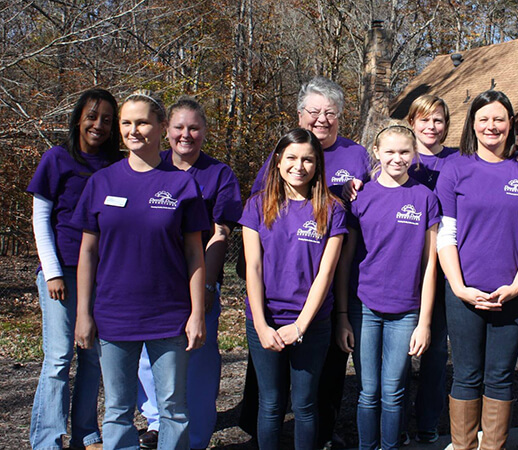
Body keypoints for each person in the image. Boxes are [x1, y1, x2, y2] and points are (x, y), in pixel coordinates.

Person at [73, 90, 209, 450]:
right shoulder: (101, 183)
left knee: (173, 410)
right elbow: (87, 252)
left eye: (143, 122)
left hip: (169, 314)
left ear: (162, 127)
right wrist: (84, 314)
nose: (134, 130)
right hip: (114, 313)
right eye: (127, 123)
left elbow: (195, 253)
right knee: (117, 409)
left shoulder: (182, 184)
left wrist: (197, 313)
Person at [242, 76, 370, 448]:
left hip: (322, 297)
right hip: (268, 308)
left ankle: (324, 438)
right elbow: (255, 256)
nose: (321, 118)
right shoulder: (262, 196)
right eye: (314, 111)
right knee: (271, 400)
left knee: (312, 394)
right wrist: (263, 324)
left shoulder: (357, 158)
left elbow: (388, 181)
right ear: (300, 115)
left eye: (330, 112)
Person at [435, 90, 518, 450]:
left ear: (510, 124)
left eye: (499, 119)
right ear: (472, 124)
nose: (492, 126)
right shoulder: (455, 168)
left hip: (513, 295)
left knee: (500, 377)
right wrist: (458, 287)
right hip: (463, 294)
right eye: (484, 118)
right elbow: (446, 234)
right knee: (467, 376)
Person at [135, 97, 243, 450]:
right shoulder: (149, 167)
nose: (186, 135)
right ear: (166, 131)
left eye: (194, 128)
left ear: (205, 132)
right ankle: (156, 421)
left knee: (198, 358)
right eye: (179, 127)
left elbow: (220, 232)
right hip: (151, 284)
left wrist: (207, 284)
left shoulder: (219, 174)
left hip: (198, 282)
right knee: (147, 360)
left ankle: (196, 436)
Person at [27, 88, 122, 450]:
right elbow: (40, 218)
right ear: (78, 118)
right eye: (92, 116)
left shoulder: (115, 166)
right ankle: (47, 439)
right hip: (61, 273)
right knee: (58, 356)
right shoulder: (56, 159)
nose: (98, 125)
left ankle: (87, 433)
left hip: (100, 276)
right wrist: (51, 271)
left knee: (93, 354)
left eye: (107, 120)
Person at [240, 128, 346, 450]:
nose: (299, 166)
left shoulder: (332, 209)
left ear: (318, 164)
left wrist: (300, 326)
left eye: (308, 159)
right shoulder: (256, 206)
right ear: (278, 161)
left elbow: (324, 276)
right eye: (292, 158)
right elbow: (253, 269)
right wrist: (261, 325)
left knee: (304, 405)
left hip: (312, 325)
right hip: (265, 322)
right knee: (270, 405)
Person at [336, 121, 439, 450]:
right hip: (363, 306)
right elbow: (345, 260)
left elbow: (430, 265)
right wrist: (341, 315)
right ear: (376, 154)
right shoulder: (361, 197)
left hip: (406, 310)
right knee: (369, 392)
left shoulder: (425, 199)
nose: (397, 158)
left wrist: (424, 322)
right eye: (390, 151)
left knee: (394, 390)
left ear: (414, 154)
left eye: (405, 151)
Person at [402, 94, 457, 444]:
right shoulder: (398, 158)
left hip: (446, 265)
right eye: (423, 120)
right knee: (401, 352)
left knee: (436, 350)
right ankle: (397, 421)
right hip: (404, 267)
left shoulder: (458, 160)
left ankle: (427, 420)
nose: (430, 127)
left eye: (437, 120)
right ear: (412, 123)